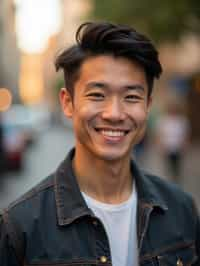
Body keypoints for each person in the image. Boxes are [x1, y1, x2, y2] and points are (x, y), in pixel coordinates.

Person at [0, 22, 199, 266]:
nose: (114, 113)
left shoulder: (181, 209)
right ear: (68, 102)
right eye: (97, 95)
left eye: (131, 97)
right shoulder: (20, 227)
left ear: (147, 105)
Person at [156, 103, 190, 183]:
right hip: (167, 147)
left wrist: (185, 144)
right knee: (168, 166)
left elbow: (186, 134)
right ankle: (169, 181)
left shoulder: (182, 120)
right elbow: (159, 134)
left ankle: (176, 180)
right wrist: (160, 145)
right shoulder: (163, 120)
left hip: (178, 147)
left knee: (177, 166)